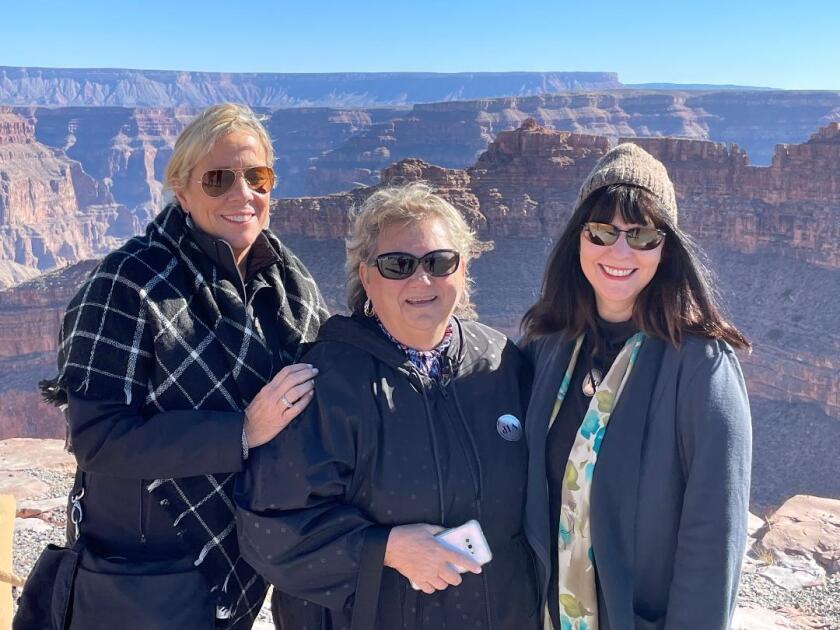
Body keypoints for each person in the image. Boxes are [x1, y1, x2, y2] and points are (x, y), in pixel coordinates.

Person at [43, 103, 328, 629]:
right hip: (146, 574)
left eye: (257, 177)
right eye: (219, 179)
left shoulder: (289, 281)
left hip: (246, 563)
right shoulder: (128, 284)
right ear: (181, 188)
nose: (243, 194)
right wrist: (241, 431)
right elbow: (99, 438)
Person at [235, 182, 539, 630]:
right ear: (367, 276)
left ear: (463, 268)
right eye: (398, 265)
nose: (422, 280)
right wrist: (386, 548)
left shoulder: (501, 365)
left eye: (439, 262)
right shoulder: (328, 382)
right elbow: (268, 533)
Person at [520, 144, 752, 630]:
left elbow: (714, 535)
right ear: (577, 239)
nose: (619, 252)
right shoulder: (550, 345)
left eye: (642, 235)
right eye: (602, 232)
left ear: (667, 248)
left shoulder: (700, 364)